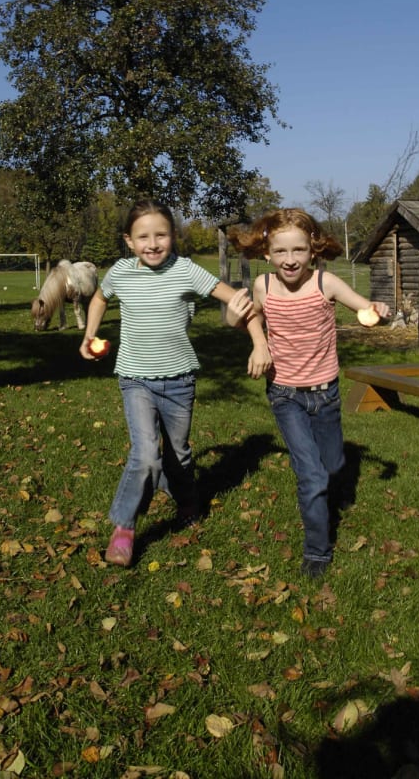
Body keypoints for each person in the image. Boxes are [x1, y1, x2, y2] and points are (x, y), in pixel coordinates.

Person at [80, 198, 270, 567]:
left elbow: (240, 302)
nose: (153, 244)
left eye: (161, 235)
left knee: (178, 454)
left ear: (172, 236)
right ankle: (124, 528)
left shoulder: (186, 270)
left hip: (180, 380)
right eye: (143, 237)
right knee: (145, 455)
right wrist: (89, 335)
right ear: (129, 240)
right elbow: (100, 299)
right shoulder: (120, 272)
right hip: (135, 379)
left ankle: (186, 499)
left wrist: (259, 344)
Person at [227, 208, 390, 579]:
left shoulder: (325, 283)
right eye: (281, 251)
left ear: (312, 250)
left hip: (326, 393)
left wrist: (376, 309)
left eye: (298, 250)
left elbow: (365, 307)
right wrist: (250, 335)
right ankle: (317, 550)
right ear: (267, 253)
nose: (290, 259)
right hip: (284, 395)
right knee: (312, 476)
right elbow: (250, 319)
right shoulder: (263, 286)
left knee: (332, 466)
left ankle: (333, 488)